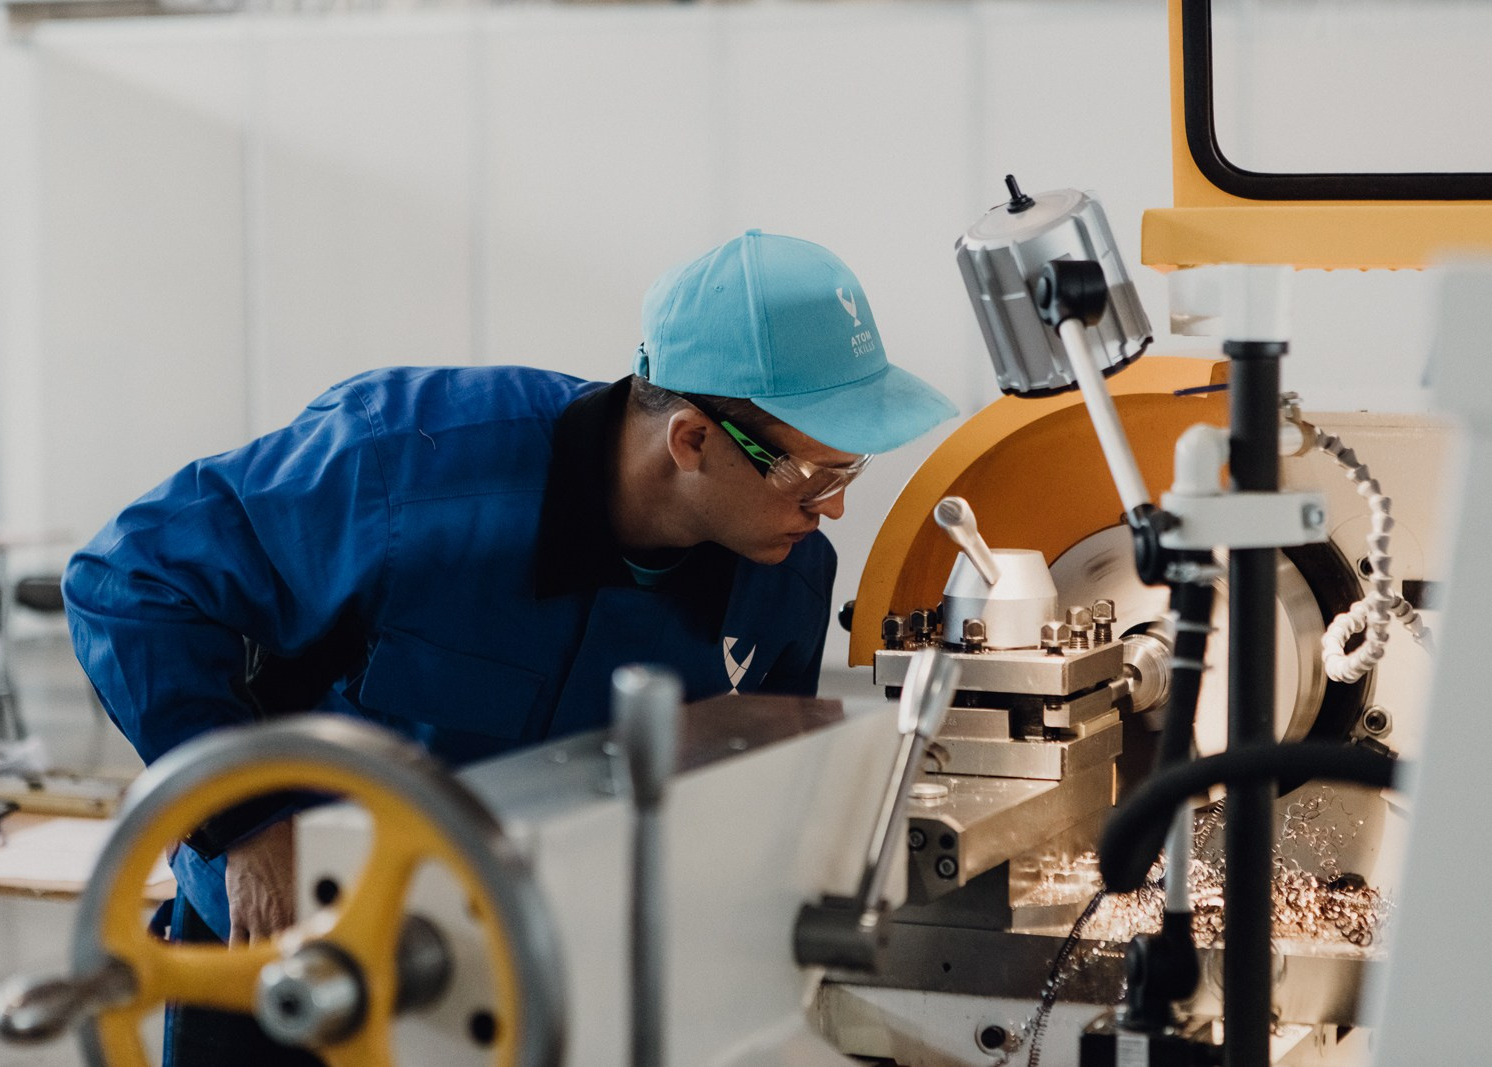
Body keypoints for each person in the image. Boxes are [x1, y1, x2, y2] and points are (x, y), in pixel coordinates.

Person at [62, 229, 956, 1064]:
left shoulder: (785, 580)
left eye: (850, 473)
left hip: (552, 990)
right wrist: (246, 827)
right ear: (690, 439)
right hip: (302, 962)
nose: (832, 506)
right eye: (815, 474)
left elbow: (751, 808)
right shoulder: (411, 470)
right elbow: (127, 583)